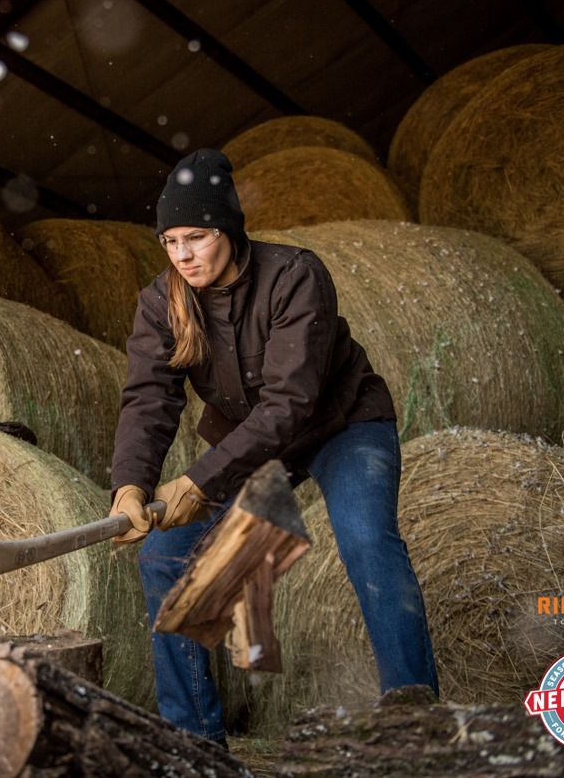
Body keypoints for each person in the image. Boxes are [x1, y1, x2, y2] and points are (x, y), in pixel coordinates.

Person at [108, 147, 439, 744]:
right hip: (254, 446)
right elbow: (149, 400)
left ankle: (415, 720)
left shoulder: (295, 275)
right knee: (164, 556)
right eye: (170, 242)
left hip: (342, 425)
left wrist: (198, 481)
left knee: (366, 541)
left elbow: (290, 405)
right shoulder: (162, 302)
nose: (183, 255)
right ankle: (195, 744)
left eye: (197, 237)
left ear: (229, 230)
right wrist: (130, 483)